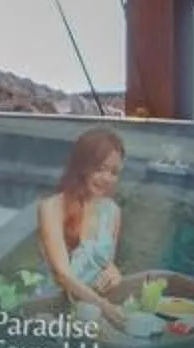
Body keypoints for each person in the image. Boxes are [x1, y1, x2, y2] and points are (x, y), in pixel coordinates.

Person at [36, 127, 127, 328]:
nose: (107, 178)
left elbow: (106, 262)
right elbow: (63, 275)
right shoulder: (52, 207)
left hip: (90, 311)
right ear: (81, 167)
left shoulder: (113, 211)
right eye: (100, 169)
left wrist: (113, 272)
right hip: (50, 309)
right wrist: (105, 307)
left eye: (114, 172)